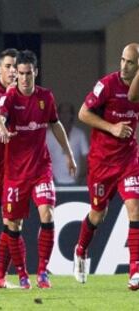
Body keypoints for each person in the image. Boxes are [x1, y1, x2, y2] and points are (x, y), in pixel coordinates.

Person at [0, 50, 76, 289]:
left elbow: (56, 124)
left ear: (35, 73)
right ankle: (22, 274)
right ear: (16, 75)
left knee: (48, 214)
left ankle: (42, 272)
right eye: (20, 74)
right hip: (15, 173)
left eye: (29, 73)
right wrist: (2, 130)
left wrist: (69, 154)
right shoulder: (10, 98)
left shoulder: (45, 98)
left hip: (41, 168)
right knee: (13, 224)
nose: (25, 78)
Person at [73, 43, 139, 290]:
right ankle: (81, 249)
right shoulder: (107, 85)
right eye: (122, 60)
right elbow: (82, 113)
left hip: (128, 160)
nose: (124, 66)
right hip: (102, 162)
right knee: (97, 215)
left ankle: (135, 270)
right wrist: (112, 127)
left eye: (130, 62)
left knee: (134, 207)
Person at [0, 48, 18, 289]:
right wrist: (3, 100)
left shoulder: (22, 94)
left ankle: (0, 276)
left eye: (15, 67)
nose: (12, 71)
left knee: (12, 221)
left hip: (11, 169)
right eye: (7, 66)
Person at [46, 103, 89, 185]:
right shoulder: (48, 135)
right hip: (53, 182)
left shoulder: (80, 134)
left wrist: (80, 177)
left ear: (72, 115)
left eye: (68, 112)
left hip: (75, 183)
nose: (65, 115)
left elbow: (87, 158)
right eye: (62, 112)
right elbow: (42, 159)